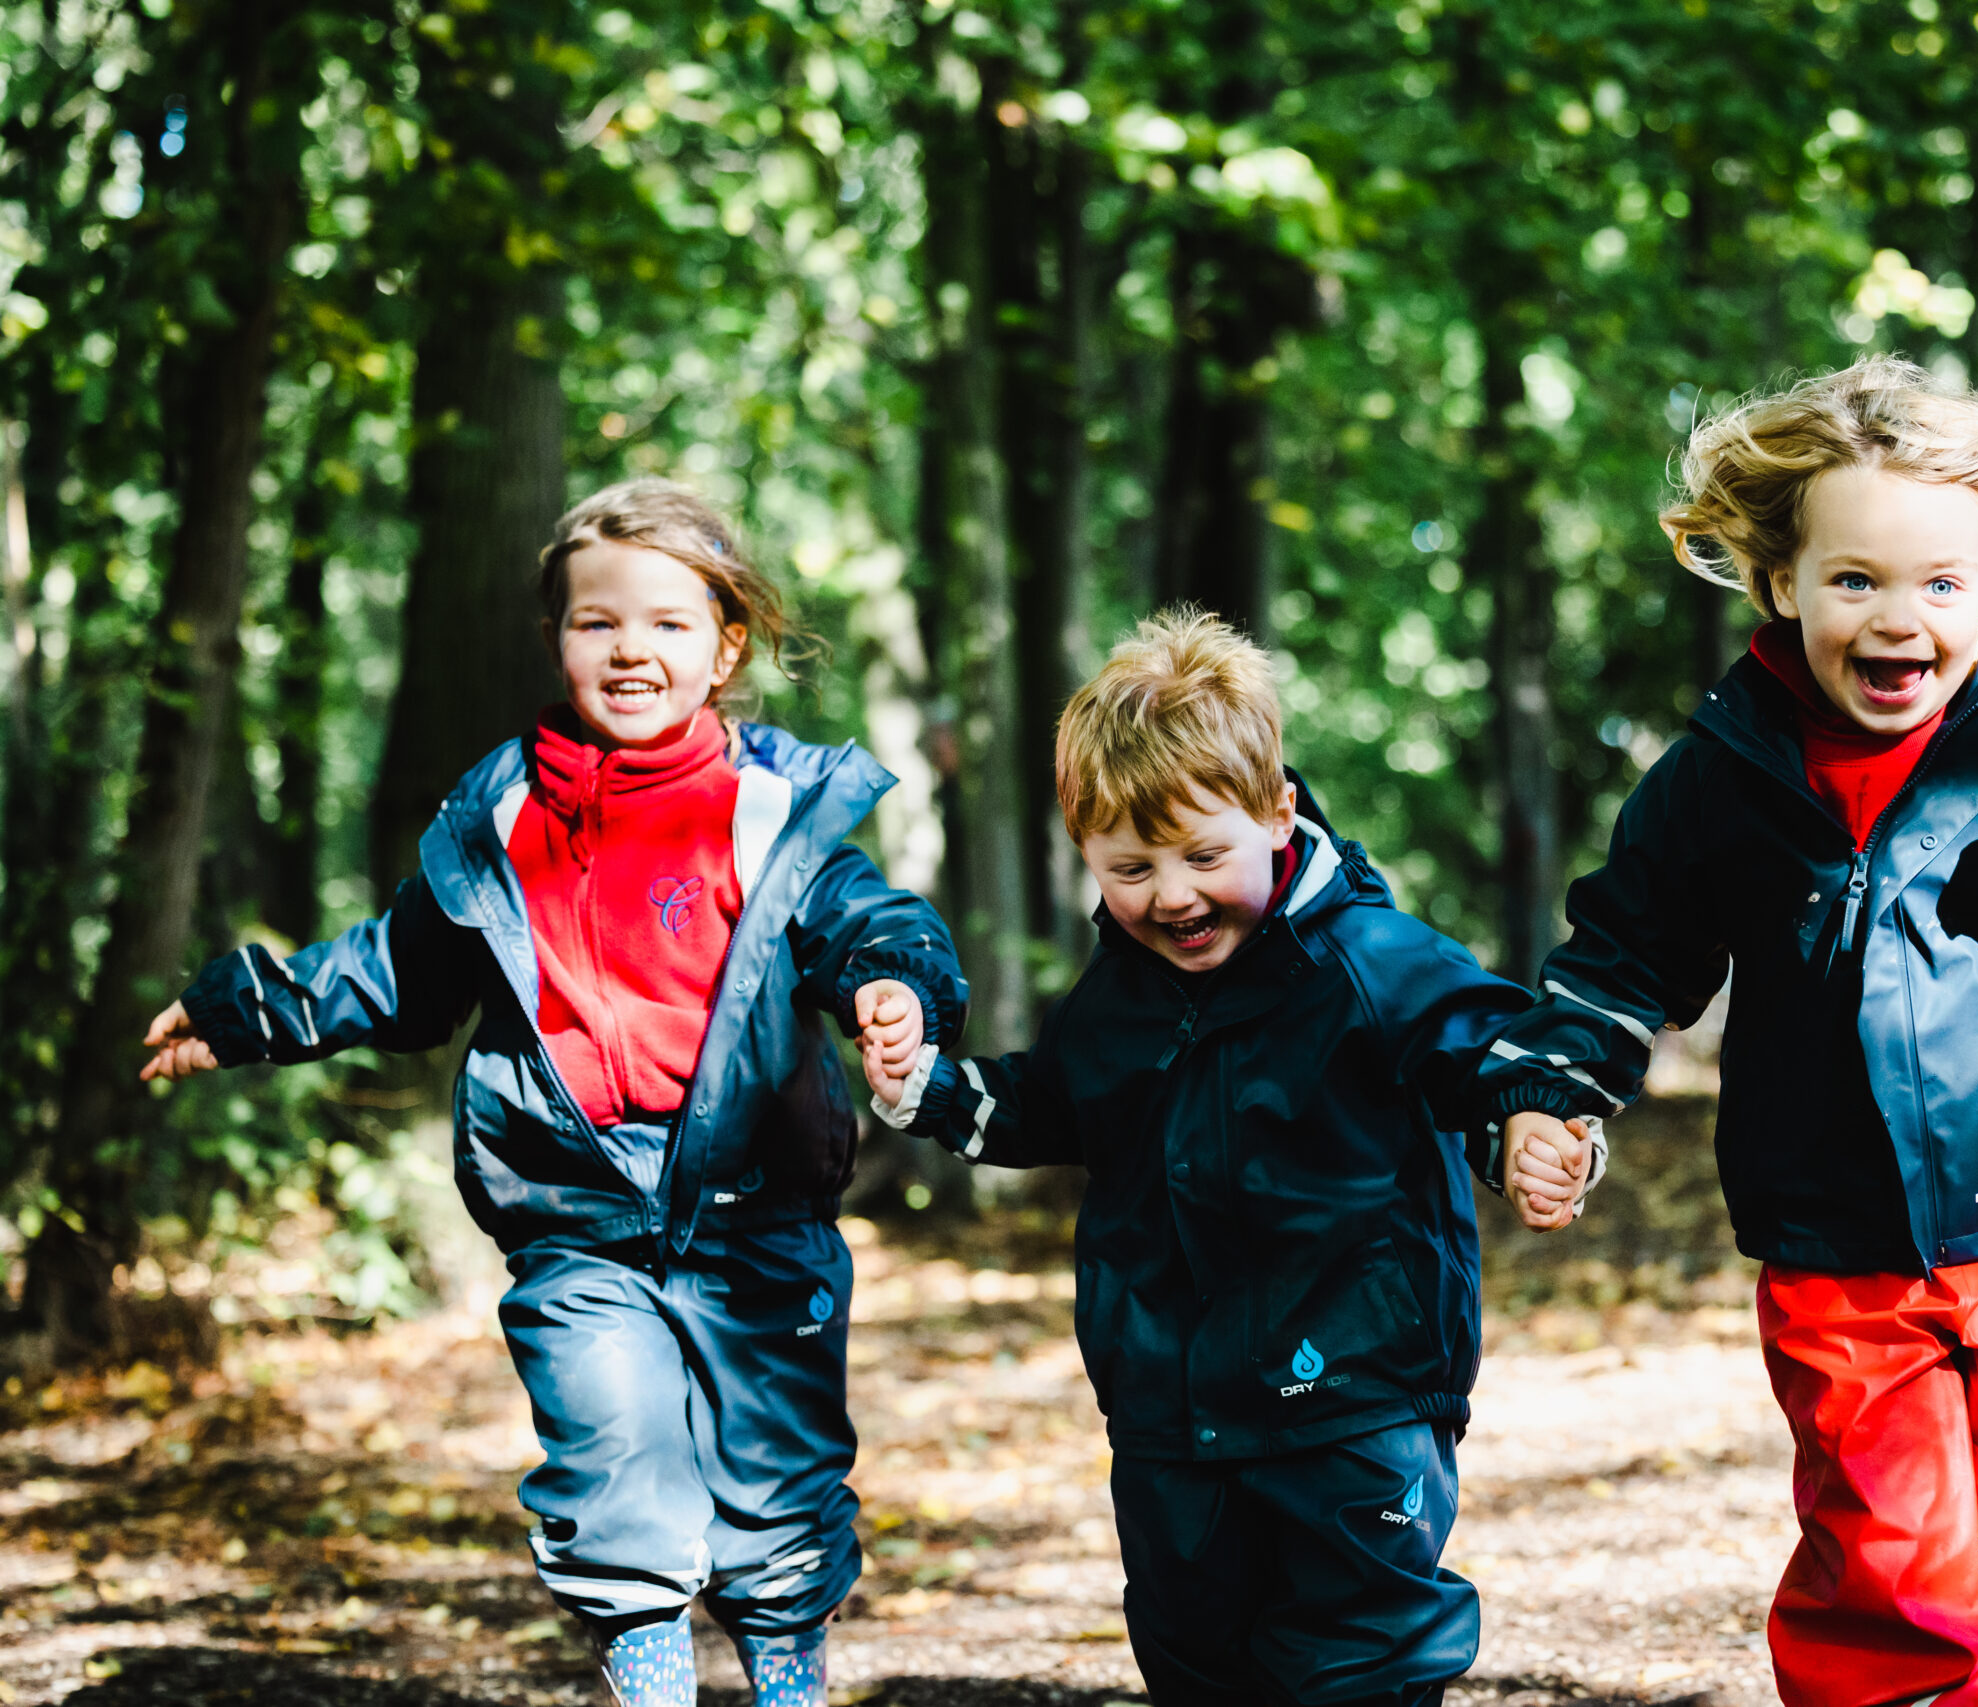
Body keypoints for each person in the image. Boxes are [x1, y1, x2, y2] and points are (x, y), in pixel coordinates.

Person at [1484, 359, 1978, 1707]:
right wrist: (1553, 1095)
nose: (1898, 617)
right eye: (1856, 581)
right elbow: (1622, 954)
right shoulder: (1718, 782)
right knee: (1891, 1562)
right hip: (1835, 1237)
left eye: (1939, 585)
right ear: (1782, 584)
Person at [137, 479, 966, 1707]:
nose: (631, 649)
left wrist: (892, 985)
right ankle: (652, 1688)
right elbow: (401, 970)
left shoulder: (766, 809)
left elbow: (866, 919)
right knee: (611, 1457)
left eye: (669, 625)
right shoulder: (503, 817)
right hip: (572, 1214)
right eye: (598, 622)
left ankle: (786, 1681)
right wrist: (249, 1009)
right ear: (554, 638)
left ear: (726, 644)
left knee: (778, 1478)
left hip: (757, 1212)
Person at [859, 608, 1558, 1707]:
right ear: (1083, 848)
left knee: (1360, 1650)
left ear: (1277, 814)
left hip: (1354, 1392)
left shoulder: (1368, 959)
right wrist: (935, 1091)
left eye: (1202, 856)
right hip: (1170, 1409)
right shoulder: (1119, 994)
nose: (1171, 896)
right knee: (1197, 1654)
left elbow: (1482, 1043)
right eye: (1129, 867)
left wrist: (1530, 1116)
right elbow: (1056, 1102)